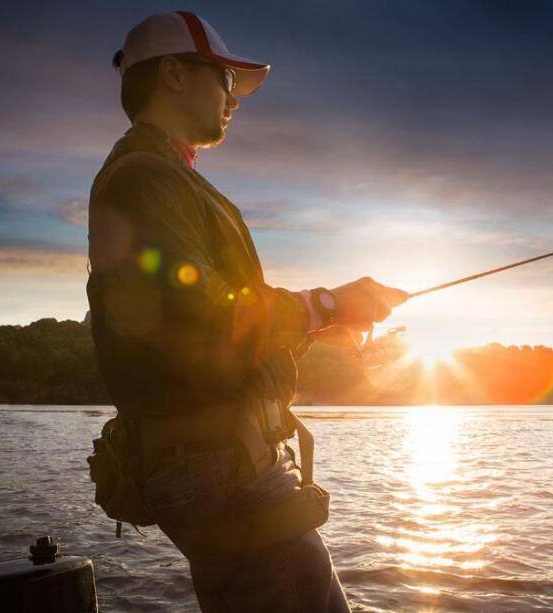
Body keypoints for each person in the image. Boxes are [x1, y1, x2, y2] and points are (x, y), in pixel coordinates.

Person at [86, 11, 406, 612]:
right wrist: (324, 303)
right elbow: (195, 310)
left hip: (221, 459)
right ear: (175, 74)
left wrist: (321, 321)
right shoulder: (143, 180)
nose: (235, 99)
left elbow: (207, 334)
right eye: (225, 80)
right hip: (218, 467)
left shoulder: (162, 178)